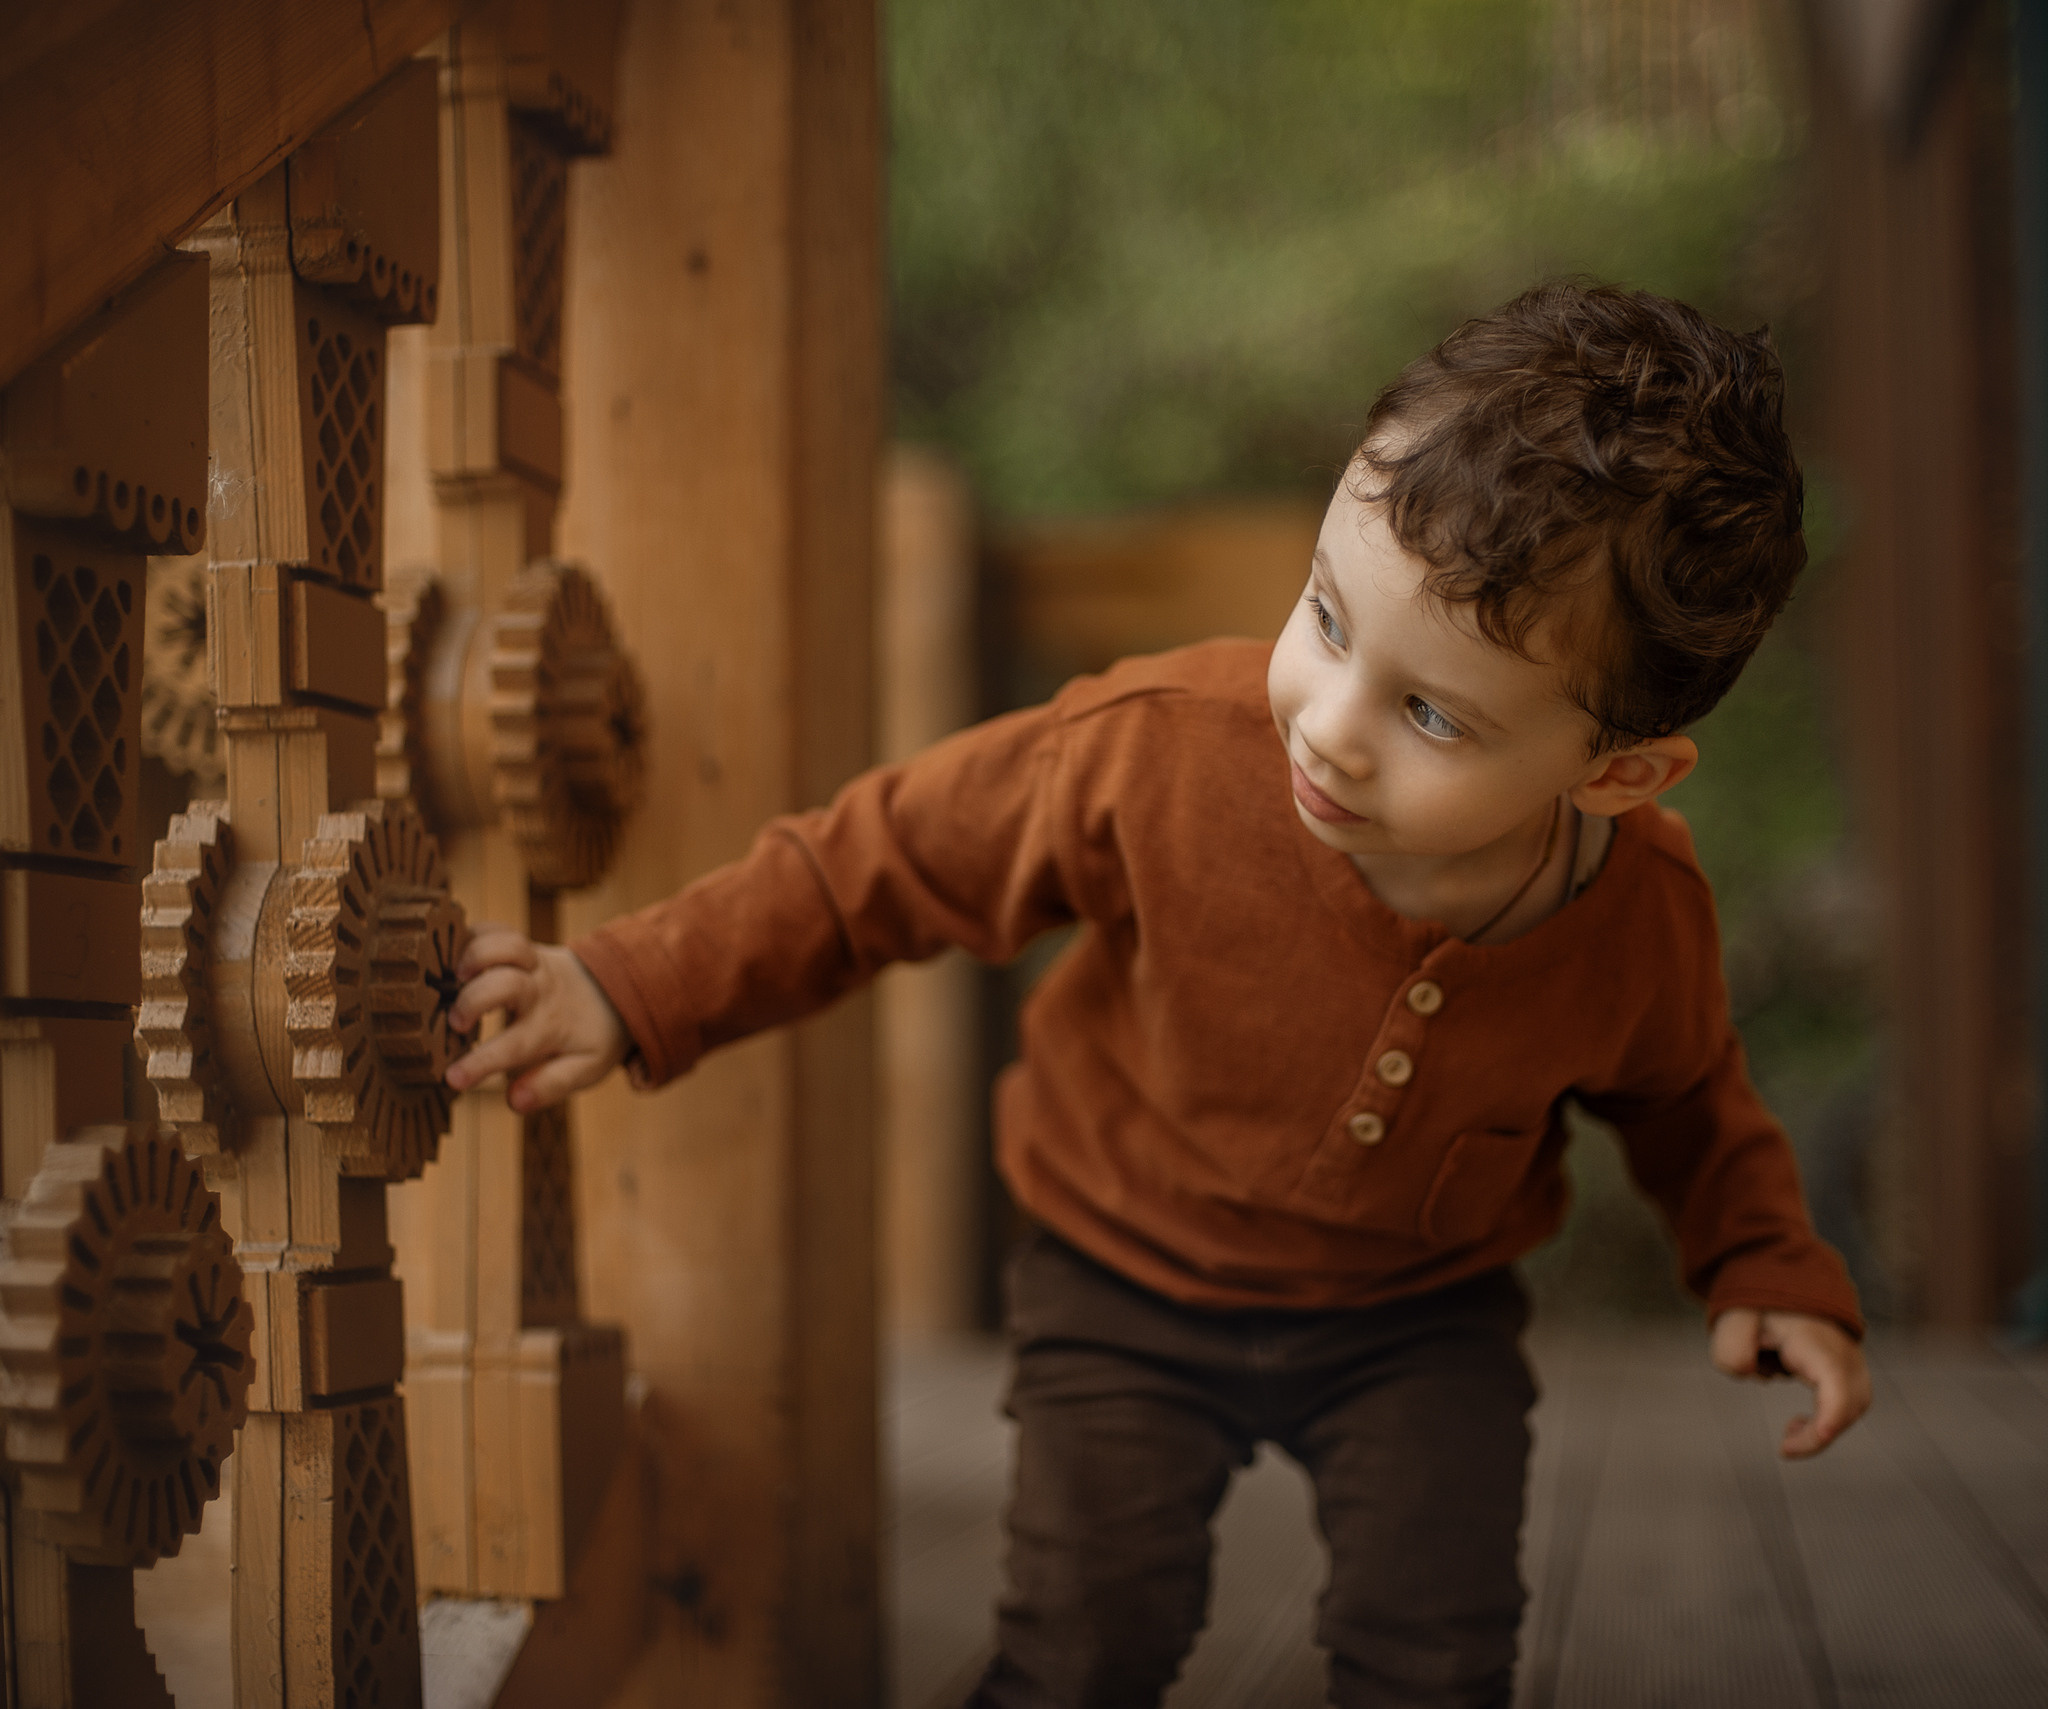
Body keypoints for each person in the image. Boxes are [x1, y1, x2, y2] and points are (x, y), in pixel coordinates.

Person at [444, 281, 1870, 1708]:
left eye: (1432, 713)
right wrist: (626, 985)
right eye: (1323, 615)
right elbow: (870, 865)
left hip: (1416, 1315)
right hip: (1119, 1265)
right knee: (1084, 1640)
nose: (1330, 722)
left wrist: (1762, 1264)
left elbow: (1688, 1093)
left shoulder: (1638, 917)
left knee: (1436, 1654)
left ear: (1615, 773)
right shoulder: (1153, 757)